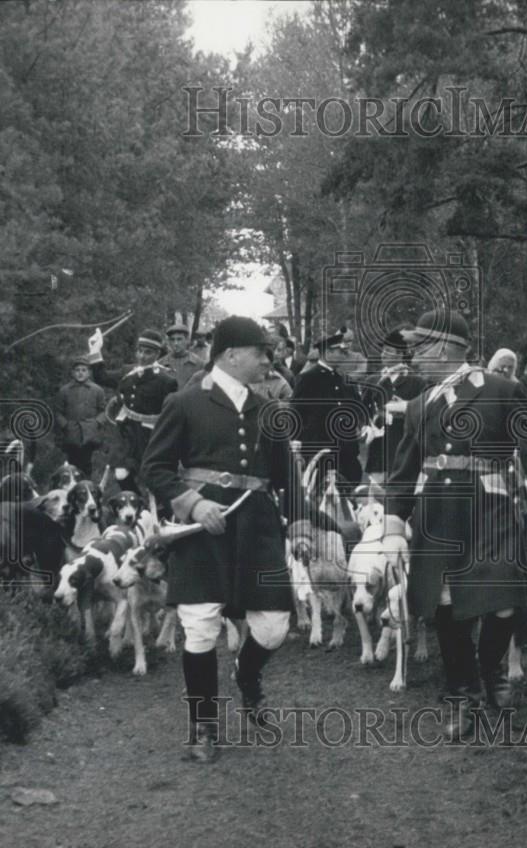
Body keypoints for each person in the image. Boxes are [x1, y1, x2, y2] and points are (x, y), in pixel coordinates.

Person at [379, 309, 527, 736]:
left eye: (420, 344)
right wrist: (393, 525)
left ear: (445, 347)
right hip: (438, 512)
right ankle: (461, 693)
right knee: (446, 606)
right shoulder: (419, 404)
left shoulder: (503, 390)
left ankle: (491, 671)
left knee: (502, 600)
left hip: (490, 508)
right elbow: (403, 470)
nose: (412, 354)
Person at [141, 315, 304, 763]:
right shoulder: (183, 402)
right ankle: (203, 724)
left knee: (273, 627)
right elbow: (153, 469)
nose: (268, 360)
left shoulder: (268, 408)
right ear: (231, 355)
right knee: (199, 627)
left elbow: (287, 473)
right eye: (260, 352)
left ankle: (246, 675)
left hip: (257, 527)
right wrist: (192, 503)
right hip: (202, 532)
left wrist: (304, 523)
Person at [87, 327, 178, 493]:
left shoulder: (166, 380)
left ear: (157, 354)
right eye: (140, 351)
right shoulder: (127, 372)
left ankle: (158, 510)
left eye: (148, 352)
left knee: (153, 479)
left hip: (150, 435)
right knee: (121, 474)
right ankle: (136, 503)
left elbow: (173, 414)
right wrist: (95, 349)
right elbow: (102, 377)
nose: (142, 356)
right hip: (127, 432)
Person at [290, 329, 364, 495]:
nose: (345, 354)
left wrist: (359, 425)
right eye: (340, 351)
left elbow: (357, 408)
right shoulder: (308, 379)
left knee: (348, 499)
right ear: (328, 352)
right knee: (321, 500)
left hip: (346, 452)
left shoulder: (344, 380)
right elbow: (295, 414)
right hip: (320, 452)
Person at [358, 329, 429, 484]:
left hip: (403, 445)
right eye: (383, 350)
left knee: (400, 487)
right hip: (377, 449)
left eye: (389, 351)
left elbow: (423, 414)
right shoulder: (373, 380)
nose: (383, 354)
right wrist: (366, 427)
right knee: (375, 494)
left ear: (400, 354)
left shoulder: (416, 382)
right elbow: (363, 411)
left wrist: (403, 411)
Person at [53, 355, 106, 478]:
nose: (80, 373)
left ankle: (87, 486)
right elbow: (58, 412)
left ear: (89, 372)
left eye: (84, 370)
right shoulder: (65, 391)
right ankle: (72, 486)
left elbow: (104, 411)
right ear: (72, 373)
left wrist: (97, 423)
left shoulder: (97, 390)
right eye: (77, 370)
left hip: (90, 434)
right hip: (71, 433)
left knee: (87, 464)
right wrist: (65, 425)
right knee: (72, 464)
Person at [159, 322, 205, 390]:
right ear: (169, 341)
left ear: (187, 340)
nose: (176, 343)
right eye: (172, 339)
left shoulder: (199, 364)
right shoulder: (161, 364)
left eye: (179, 339)